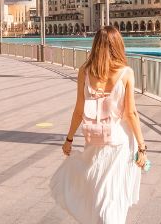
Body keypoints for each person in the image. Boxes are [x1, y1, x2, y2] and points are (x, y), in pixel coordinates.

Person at [50, 26, 147, 223]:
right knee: (113, 191)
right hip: (119, 142)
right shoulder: (126, 73)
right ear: (118, 45)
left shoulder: (85, 71)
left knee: (97, 188)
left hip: (94, 139)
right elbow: (131, 113)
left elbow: (78, 110)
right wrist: (142, 147)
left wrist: (69, 139)